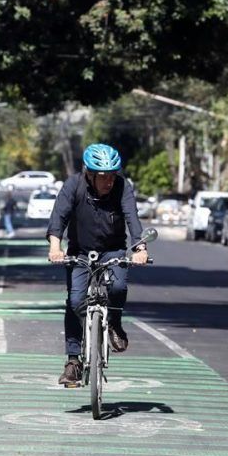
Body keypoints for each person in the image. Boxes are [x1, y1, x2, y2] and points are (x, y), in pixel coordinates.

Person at [47, 143, 148, 385]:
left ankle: (114, 323)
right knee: (75, 302)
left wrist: (140, 248)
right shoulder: (73, 186)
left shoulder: (122, 187)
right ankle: (73, 361)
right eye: (103, 176)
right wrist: (55, 248)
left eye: (112, 175)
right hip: (80, 252)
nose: (109, 181)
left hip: (112, 250)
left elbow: (132, 218)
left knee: (118, 287)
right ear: (89, 175)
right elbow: (58, 218)